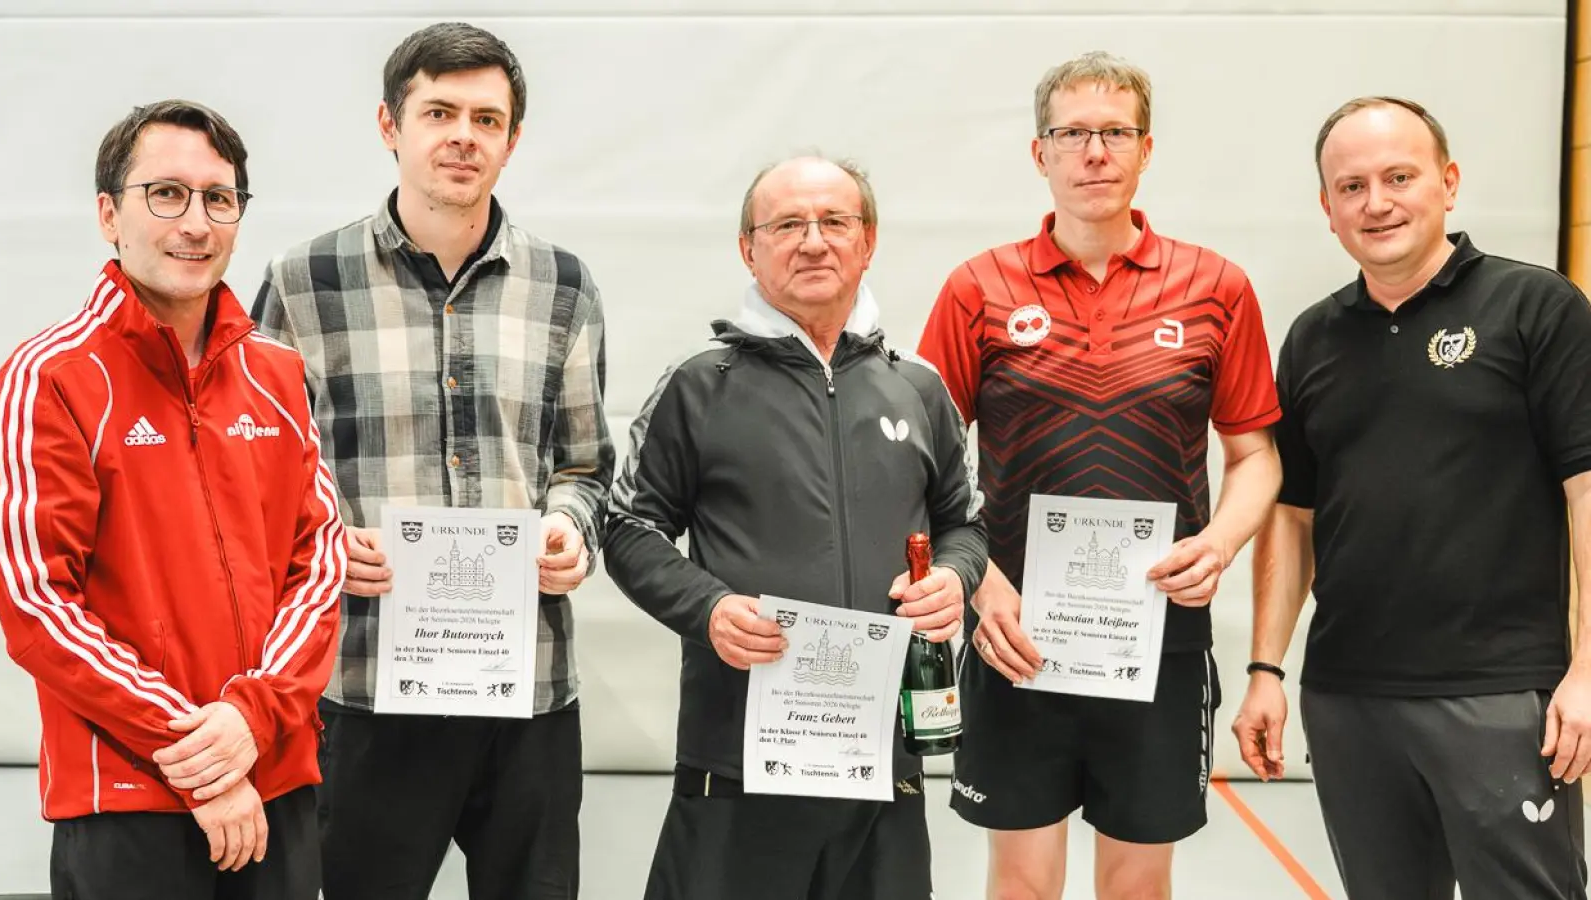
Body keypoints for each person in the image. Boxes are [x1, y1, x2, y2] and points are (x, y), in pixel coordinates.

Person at [249, 21, 614, 900]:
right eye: (439, 112)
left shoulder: (563, 284)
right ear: (390, 125)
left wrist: (569, 529)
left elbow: (587, 464)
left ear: (512, 141)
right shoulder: (305, 281)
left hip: (527, 693)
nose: (463, 136)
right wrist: (332, 540)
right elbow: (262, 471)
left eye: (487, 120)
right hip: (365, 686)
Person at [915, 51, 1283, 899]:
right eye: (1072, 133)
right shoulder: (978, 288)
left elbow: (1257, 454)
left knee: (1136, 886)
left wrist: (1221, 544)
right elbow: (924, 465)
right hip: (1015, 637)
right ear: (1038, 153)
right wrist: (981, 585)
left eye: (1115, 133)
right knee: (1023, 884)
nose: (1094, 153)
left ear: (1146, 150)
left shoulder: (1216, 287)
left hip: (1158, 635)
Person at [1232, 95, 1591, 899]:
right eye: (1351, 186)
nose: (1377, 202)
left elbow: (1586, 494)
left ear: (1449, 182)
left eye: (1399, 176)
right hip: (1348, 698)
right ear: (1327, 210)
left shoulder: (1537, 309)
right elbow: (1292, 521)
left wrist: (1590, 669)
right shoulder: (1312, 338)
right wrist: (1265, 668)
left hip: (1499, 696)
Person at [602, 154, 987, 900]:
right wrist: (707, 607)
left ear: (867, 241)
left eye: (834, 222)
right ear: (748, 247)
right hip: (739, 763)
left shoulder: (920, 387)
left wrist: (954, 580)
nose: (813, 241)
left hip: (883, 761)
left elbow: (964, 526)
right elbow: (628, 527)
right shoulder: (698, 386)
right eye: (786, 224)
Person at [0, 99, 344, 899]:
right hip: (128, 799)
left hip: (274, 783)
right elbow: (39, 606)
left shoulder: (279, 376)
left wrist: (251, 724)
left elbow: (317, 568)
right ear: (109, 213)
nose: (196, 221)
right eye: (167, 194)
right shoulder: (48, 378)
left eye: (219, 198)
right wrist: (200, 758)